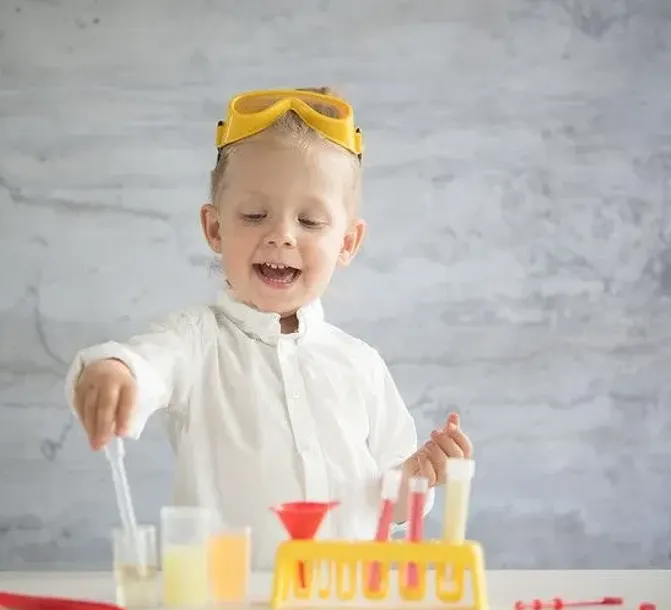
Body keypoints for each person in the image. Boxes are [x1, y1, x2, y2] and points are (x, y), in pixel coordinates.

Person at [64, 87, 473, 569]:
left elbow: (394, 503)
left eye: (310, 220)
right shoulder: (196, 341)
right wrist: (115, 370)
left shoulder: (359, 364)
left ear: (347, 241)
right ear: (215, 229)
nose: (281, 233)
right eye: (255, 215)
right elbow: (148, 364)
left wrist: (421, 474)